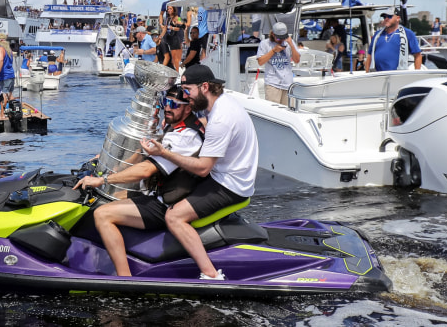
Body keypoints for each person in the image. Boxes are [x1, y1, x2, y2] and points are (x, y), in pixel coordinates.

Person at [141, 65, 258, 280]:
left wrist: (164, 153)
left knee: (174, 216)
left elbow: (203, 169)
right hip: (231, 174)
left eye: (188, 90)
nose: (186, 96)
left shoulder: (221, 118)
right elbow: (205, 122)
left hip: (230, 184)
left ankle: (210, 274)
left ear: (204, 87)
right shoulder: (220, 103)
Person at [74, 86, 205, 276]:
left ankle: (124, 278)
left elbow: (146, 170)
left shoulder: (186, 136)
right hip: (156, 193)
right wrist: (106, 163)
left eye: (174, 104)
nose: (167, 108)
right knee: (103, 199)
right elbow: (140, 155)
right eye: (165, 102)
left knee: (102, 214)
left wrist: (103, 180)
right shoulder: (173, 126)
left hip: (165, 204)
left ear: (188, 108)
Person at [365, 8, 422, 72]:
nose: (386, 19)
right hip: (378, 74)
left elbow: (418, 55)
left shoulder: (407, 34)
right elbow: (369, 55)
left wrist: (417, 73)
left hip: (397, 74)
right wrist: (367, 73)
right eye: (384, 17)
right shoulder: (377, 35)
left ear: (398, 18)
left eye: (389, 16)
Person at [256, 22, 300, 104]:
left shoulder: (289, 42)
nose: (281, 41)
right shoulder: (265, 44)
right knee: (272, 109)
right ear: (273, 34)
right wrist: (273, 51)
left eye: (283, 38)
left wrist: (291, 45)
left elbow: (297, 60)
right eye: (279, 38)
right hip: (272, 84)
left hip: (288, 84)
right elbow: (260, 62)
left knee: (288, 110)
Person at [0, 32, 15, 118]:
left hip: (4, 76)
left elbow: (0, 60)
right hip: (11, 74)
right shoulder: (9, 50)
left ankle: (2, 114)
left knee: (3, 95)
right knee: (10, 95)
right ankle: (13, 112)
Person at [161, 5, 185, 70]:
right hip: (169, 37)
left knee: (175, 57)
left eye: (170, 9)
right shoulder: (168, 18)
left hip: (175, 38)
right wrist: (161, 36)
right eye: (168, 9)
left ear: (174, 9)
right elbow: (165, 28)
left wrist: (173, 27)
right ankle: (174, 69)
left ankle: (177, 71)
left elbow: (181, 27)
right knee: (171, 56)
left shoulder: (178, 17)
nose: (169, 10)